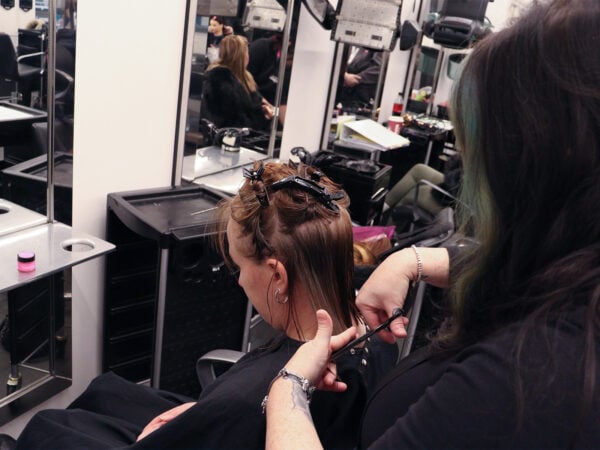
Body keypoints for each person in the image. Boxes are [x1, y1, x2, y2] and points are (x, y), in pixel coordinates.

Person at [264, 0, 600, 448]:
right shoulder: (574, 288)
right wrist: (409, 260)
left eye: (476, 147)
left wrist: (287, 388)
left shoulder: (530, 381)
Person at [12, 161, 398, 450]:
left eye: (240, 267)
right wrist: (201, 412)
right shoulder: (376, 333)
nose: (239, 281)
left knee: (48, 427)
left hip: (226, 424)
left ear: (277, 276)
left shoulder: (246, 402)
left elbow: (233, 414)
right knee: (105, 391)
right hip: (229, 421)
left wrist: (205, 416)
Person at [201, 35, 275, 132]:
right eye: (246, 52)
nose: (248, 56)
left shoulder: (245, 77)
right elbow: (230, 121)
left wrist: (263, 111)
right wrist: (263, 117)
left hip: (247, 133)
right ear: (241, 55)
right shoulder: (219, 79)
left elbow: (255, 103)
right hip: (232, 135)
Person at [337, 46, 383, 111]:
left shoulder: (375, 47)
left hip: (362, 97)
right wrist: (343, 75)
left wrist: (357, 79)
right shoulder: (345, 45)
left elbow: (380, 69)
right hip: (340, 94)